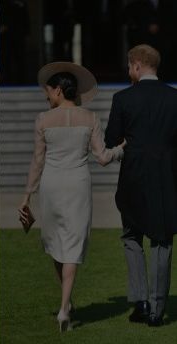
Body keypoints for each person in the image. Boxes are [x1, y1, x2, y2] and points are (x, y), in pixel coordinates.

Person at [19, 62, 124, 332]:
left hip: (52, 186)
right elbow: (102, 158)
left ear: (57, 91)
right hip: (77, 185)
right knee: (72, 245)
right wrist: (121, 149)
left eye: (48, 90)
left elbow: (37, 161)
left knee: (56, 242)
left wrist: (27, 195)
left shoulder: (43, 119)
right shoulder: (90, 118)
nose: (45, 95)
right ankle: (65, 308)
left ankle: (66, 303)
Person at [104, 44, 177, 327]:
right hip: (167, 178)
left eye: (129, 66)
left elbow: (112, 140)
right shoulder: (174, 98)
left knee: (131, 237)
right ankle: (158, 309)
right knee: (163, 240)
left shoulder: (123, 98)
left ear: (136, 65)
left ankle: (141, 301)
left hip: (133, 177)